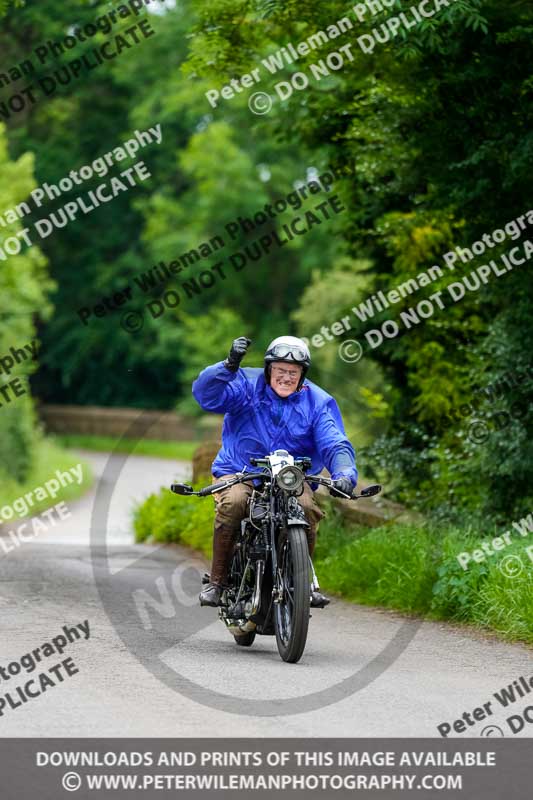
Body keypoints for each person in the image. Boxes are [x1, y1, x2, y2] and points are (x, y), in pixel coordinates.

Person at [192, 335, 358, 608]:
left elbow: (335, 442)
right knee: (234, 503)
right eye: (280, 370)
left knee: (305, 507)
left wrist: (344, 473)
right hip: (239, 469)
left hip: (291, 476)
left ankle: (302, 583)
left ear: (302, 375)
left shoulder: (317, 402)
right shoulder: (245, 386)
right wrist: (228, 366)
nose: (285, 377)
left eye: (292, 372)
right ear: (269, 369)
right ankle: (218, 583)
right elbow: (206, 396)